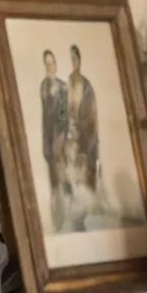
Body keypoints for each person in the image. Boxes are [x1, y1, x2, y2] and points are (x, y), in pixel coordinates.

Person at [65, 45, 100, 228]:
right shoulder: (69, 81)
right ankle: (75, 214)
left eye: (76, 59)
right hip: (72, 135)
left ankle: (84, 213)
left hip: (85, 136)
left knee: (84, 172)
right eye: (71, 59)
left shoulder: (86, 85)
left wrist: (82, 128)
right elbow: (66, 107)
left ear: (80, 60)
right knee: (71, 173)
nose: (74, 62)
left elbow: (90, 115)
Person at [39, 50, 69, 231]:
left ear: (56, 65)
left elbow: (65, 116)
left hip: (60, 137)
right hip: (49, 137)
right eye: (47, 64)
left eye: (52, 64)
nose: (50, 67)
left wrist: (61, 138)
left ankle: (67, 214)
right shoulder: (44, 86)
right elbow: (45, 116)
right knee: (53, 178)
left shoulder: (63, 87)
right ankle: (57, 219)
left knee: (62, 173)